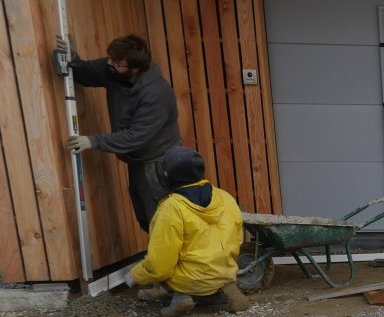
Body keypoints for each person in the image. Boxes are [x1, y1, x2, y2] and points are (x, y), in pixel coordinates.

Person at [57, 34, 181, 232]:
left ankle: (174, 262)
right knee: (146, 218)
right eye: (110, 58)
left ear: (134, 68)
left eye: (117, 62)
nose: (109, 63)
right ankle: (162, 259)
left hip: (158, 163)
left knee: (162, 222)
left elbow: (135, 136)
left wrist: (92, 141)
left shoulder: (156, 94)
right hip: (137, 160)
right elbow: (86, 73)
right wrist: (72, 58)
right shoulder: (114, 71)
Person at [123, 146, 250, 316]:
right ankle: (222, 290)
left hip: (191, 280)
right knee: (210, 270)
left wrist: (135, 275)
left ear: (167, 175)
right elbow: (237, 239)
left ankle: (182, 297)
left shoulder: (171, 208)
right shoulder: (225, 197)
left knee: (162, 267)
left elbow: (160, 266)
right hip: (225, 271)